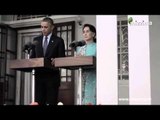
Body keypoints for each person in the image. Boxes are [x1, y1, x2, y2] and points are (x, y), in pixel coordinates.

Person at [30, 17, 65, 105]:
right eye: (41, 27)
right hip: (39, 77)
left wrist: (57, 60)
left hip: (52, 77)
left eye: (45, 27)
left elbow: (63, 58)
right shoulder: (36, 40)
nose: (43, 29)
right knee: (38, 102)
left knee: (51, 102)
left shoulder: (59, 41)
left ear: (52, 27)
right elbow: (32, 58)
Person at [76, 24, 96, 105]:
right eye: (83, 32)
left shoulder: (98, 46)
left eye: (87, 31)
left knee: (92, 98)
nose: (85, 34)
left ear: (93, 34)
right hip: (82, 76)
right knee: (82, 99)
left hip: (94, 76)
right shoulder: (80, 49)